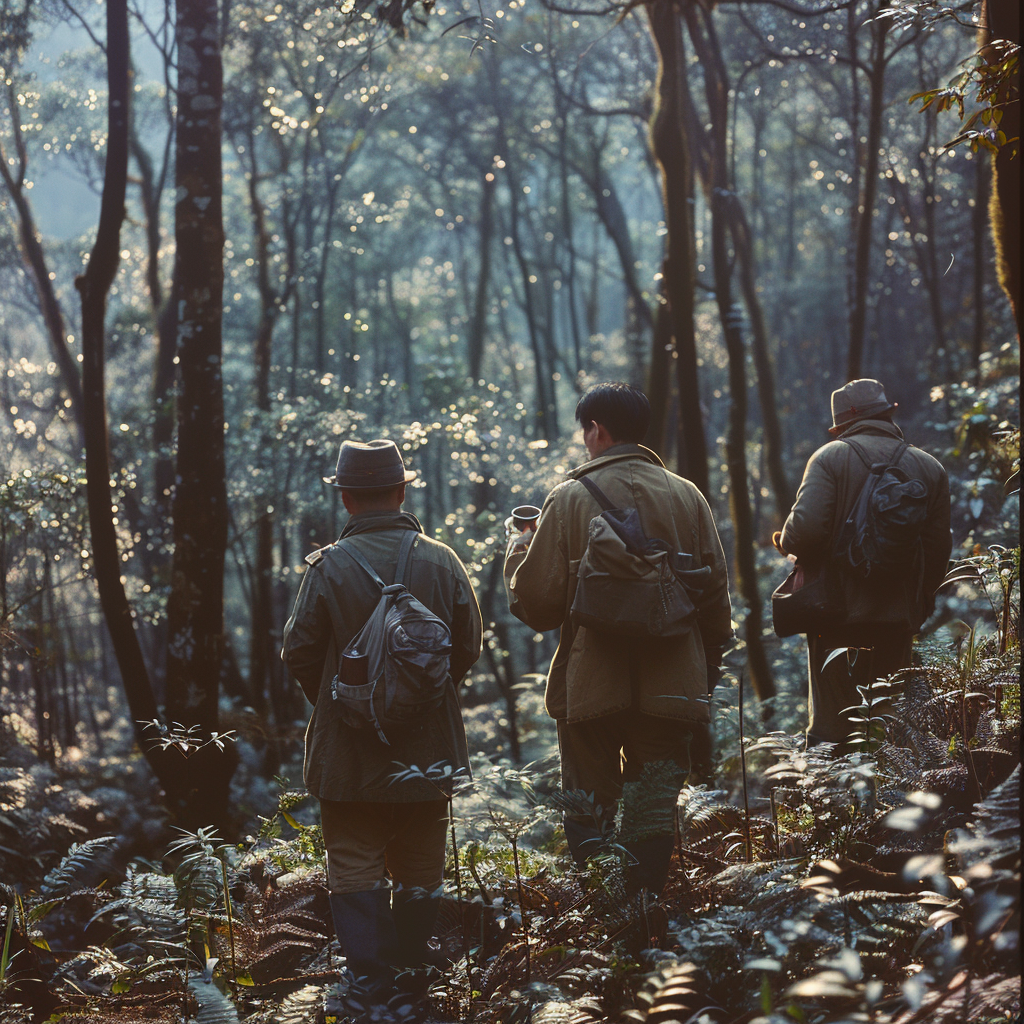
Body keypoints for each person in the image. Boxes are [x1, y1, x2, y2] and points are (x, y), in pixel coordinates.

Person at [503, 382, 732, 902]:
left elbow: (537, 606)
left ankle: (604, 916)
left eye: (585, 431)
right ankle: (646, 908)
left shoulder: (568, 498)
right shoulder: (686, 495)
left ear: (597, 429)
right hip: (672, 681)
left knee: (588, 805)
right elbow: (715, 594)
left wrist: (518, 550)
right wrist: (706, 668)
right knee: (653, 802)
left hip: (591, 686)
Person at [282, 438, 482, 1004]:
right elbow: (467, 643)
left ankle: (369, 983)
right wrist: (420, 698)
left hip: (348, 751)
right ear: (401, 490)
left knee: (353, 857)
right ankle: (415, 977)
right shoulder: (442, 560)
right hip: (429, 743)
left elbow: (298, 652)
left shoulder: (327, 568)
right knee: (421, 860)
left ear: (345, 498)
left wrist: (343, 702)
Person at [774, 379, 951, 751]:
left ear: (840, 426)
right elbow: (938, 552)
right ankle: (885, 801)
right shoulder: (929, 467)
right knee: (886, 726)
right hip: (896, 618)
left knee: (834, 728)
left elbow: (802, 533)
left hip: (833, 617)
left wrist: (783, 541)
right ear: (888, 413)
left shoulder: (830, 457)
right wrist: (917, 605)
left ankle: (835, 803)